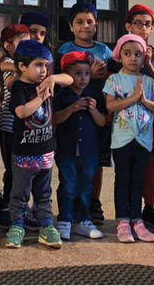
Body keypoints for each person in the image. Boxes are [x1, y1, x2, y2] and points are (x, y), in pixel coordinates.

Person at [4, 40, 72, 249]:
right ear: (22, 66)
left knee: (44, 193)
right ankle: (17, 226)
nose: (43, 70)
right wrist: (41, 97)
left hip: (45, 152)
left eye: (46, 65)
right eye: (38, 65)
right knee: (20, 193)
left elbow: (69, 79)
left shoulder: (48, 82)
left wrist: (53, 78)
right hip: (24, 153)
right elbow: (21, 112)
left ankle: (46, 225)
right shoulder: (19, 87)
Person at [103, 34, 154, 243]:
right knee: (122, 180)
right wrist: (132, 99)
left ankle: (137, 220)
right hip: (122, 139)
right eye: (127, 54)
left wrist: (144, 100)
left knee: (138, 180)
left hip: (143, 140)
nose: (133, 58)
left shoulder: (149, 82)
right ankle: (122, 221)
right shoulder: (114, 80)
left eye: (138, 54)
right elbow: (110, 106)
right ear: (119, 55)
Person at [56, 2, 112, 225]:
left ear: (96, 25)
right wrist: (88, 75)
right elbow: (59, 78)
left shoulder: (104, 51)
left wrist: (101, 76)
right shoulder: (64, 50)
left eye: (90, 22)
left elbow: (113, 77)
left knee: (94, 159)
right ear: (71, 26)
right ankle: (69, 210)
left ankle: (93, 202)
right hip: (71, 106)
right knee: (70, 161)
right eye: (79, 22)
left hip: (96, 106)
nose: (85, 26)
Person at [122, 4, 154, 231]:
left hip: (151, 115)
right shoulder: (120, 51)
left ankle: (149, 207)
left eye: (147, 24)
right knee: (126, 161)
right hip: (126, 115)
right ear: (128, 26)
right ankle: (127, 209)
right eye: (138, 23)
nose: (142, 28)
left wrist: (149, 65)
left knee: (150, 160)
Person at [52, 51, 107, 241]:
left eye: (87, 73)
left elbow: (102, 121)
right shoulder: (61, 94)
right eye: (77, 73)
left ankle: (83, 219)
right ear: (66, 75)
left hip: (89, 151)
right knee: (68, 184)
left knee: (85, 186)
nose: (83, 78)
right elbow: (54, 119)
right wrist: (72, 108)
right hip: (66, 149)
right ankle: (65, 219)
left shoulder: (94, 93)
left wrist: (93, 110)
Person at [0, 24, 31, 229]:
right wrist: (22, 70)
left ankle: (19, 207)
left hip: (24, 127)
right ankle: (6, 207)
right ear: (8, 46)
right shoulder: (9, 62)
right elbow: (9, 82)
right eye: (22, 43)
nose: (26, 47)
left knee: (22, 170)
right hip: (9, 127)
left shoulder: (26, 64)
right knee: (12, 169)